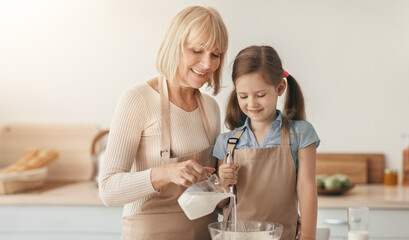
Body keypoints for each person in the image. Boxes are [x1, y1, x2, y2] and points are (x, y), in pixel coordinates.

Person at [99, 6, 228, 240]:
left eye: (216, 54)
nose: (207, 64)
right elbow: (108, 190)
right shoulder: (138, 99)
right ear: (174, 46)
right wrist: (165, 173)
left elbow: (214, 190)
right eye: (197, 50)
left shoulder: (211, 107)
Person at [213, 45, 319, 240]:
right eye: (243, 96)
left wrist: (309, 237)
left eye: (260, 95)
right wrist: (221, 183)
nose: (251, 103)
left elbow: (307, 189)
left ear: (280, 88)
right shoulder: (226, 142)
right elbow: (220, 205)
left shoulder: (301, 134)